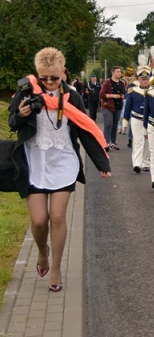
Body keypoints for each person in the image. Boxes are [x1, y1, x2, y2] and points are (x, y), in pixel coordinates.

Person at [8, 48, 111, 292]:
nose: (49, 82)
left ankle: (55, 268)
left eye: (54, 77)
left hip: (63, 161)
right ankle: (42, 253)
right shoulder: (27, 92)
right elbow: (12, 123)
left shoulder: (72, 96)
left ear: (63, 72)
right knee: (39, 220)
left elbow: (85, 129)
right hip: (34, 161)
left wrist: (102, 163)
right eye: (43, 77)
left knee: (57, 216)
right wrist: (21, 114)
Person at [121, 67, 151, 174]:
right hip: (136, 119)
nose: (145, 81)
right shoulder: (133, 91)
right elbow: (128, 107)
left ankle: (146, 162)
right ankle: (137, 163)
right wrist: (125, 121)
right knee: (138, 141)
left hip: (149, 120)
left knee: (147, 141)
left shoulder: (152, 91)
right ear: (138, 79)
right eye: (143, 79)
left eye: (147, 79)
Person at [99, 66, 126, 150]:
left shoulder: (122, 83)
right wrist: (113, 96)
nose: (119, 73)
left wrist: (123, 96)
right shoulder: (107, 82)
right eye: (117, 72)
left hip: (118, 106)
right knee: (108, 124)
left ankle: (113, 142)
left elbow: (124, 93)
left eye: (120, 72)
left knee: (115, 124)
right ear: (113, 73)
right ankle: (106, 142)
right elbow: (102, 94)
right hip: (108, 106)